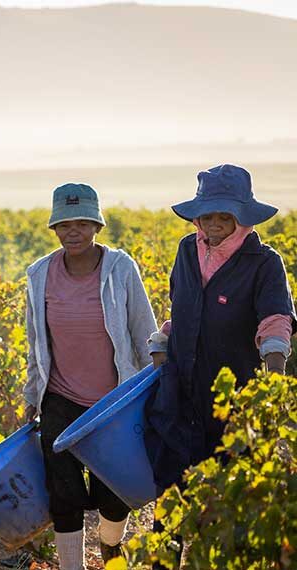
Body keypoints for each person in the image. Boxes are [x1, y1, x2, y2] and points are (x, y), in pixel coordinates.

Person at [144, 164, 295, 568]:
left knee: (229, 507)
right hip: (180, 395)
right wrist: (163, 341)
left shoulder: (263, 263)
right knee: (170, 500)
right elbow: (184, 310)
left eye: (224, 216)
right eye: (207, 215)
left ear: (242, 218)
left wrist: (273, 381)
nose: (213, 224)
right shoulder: (184, 250)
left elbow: (275, 322)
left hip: (232, 406)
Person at [23, 183, 158, 569]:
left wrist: (150, 394)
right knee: (62, 491)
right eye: (65, 225)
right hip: (60, 398)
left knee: (113, 494)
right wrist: (32, 397)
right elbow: (36, 344)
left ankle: (110, 546)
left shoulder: (120, 269)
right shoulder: (39, 275)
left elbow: (144, 332)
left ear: (97, 226)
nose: (74, 232)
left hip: (114, 401)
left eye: (83, 223)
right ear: (54, 229)